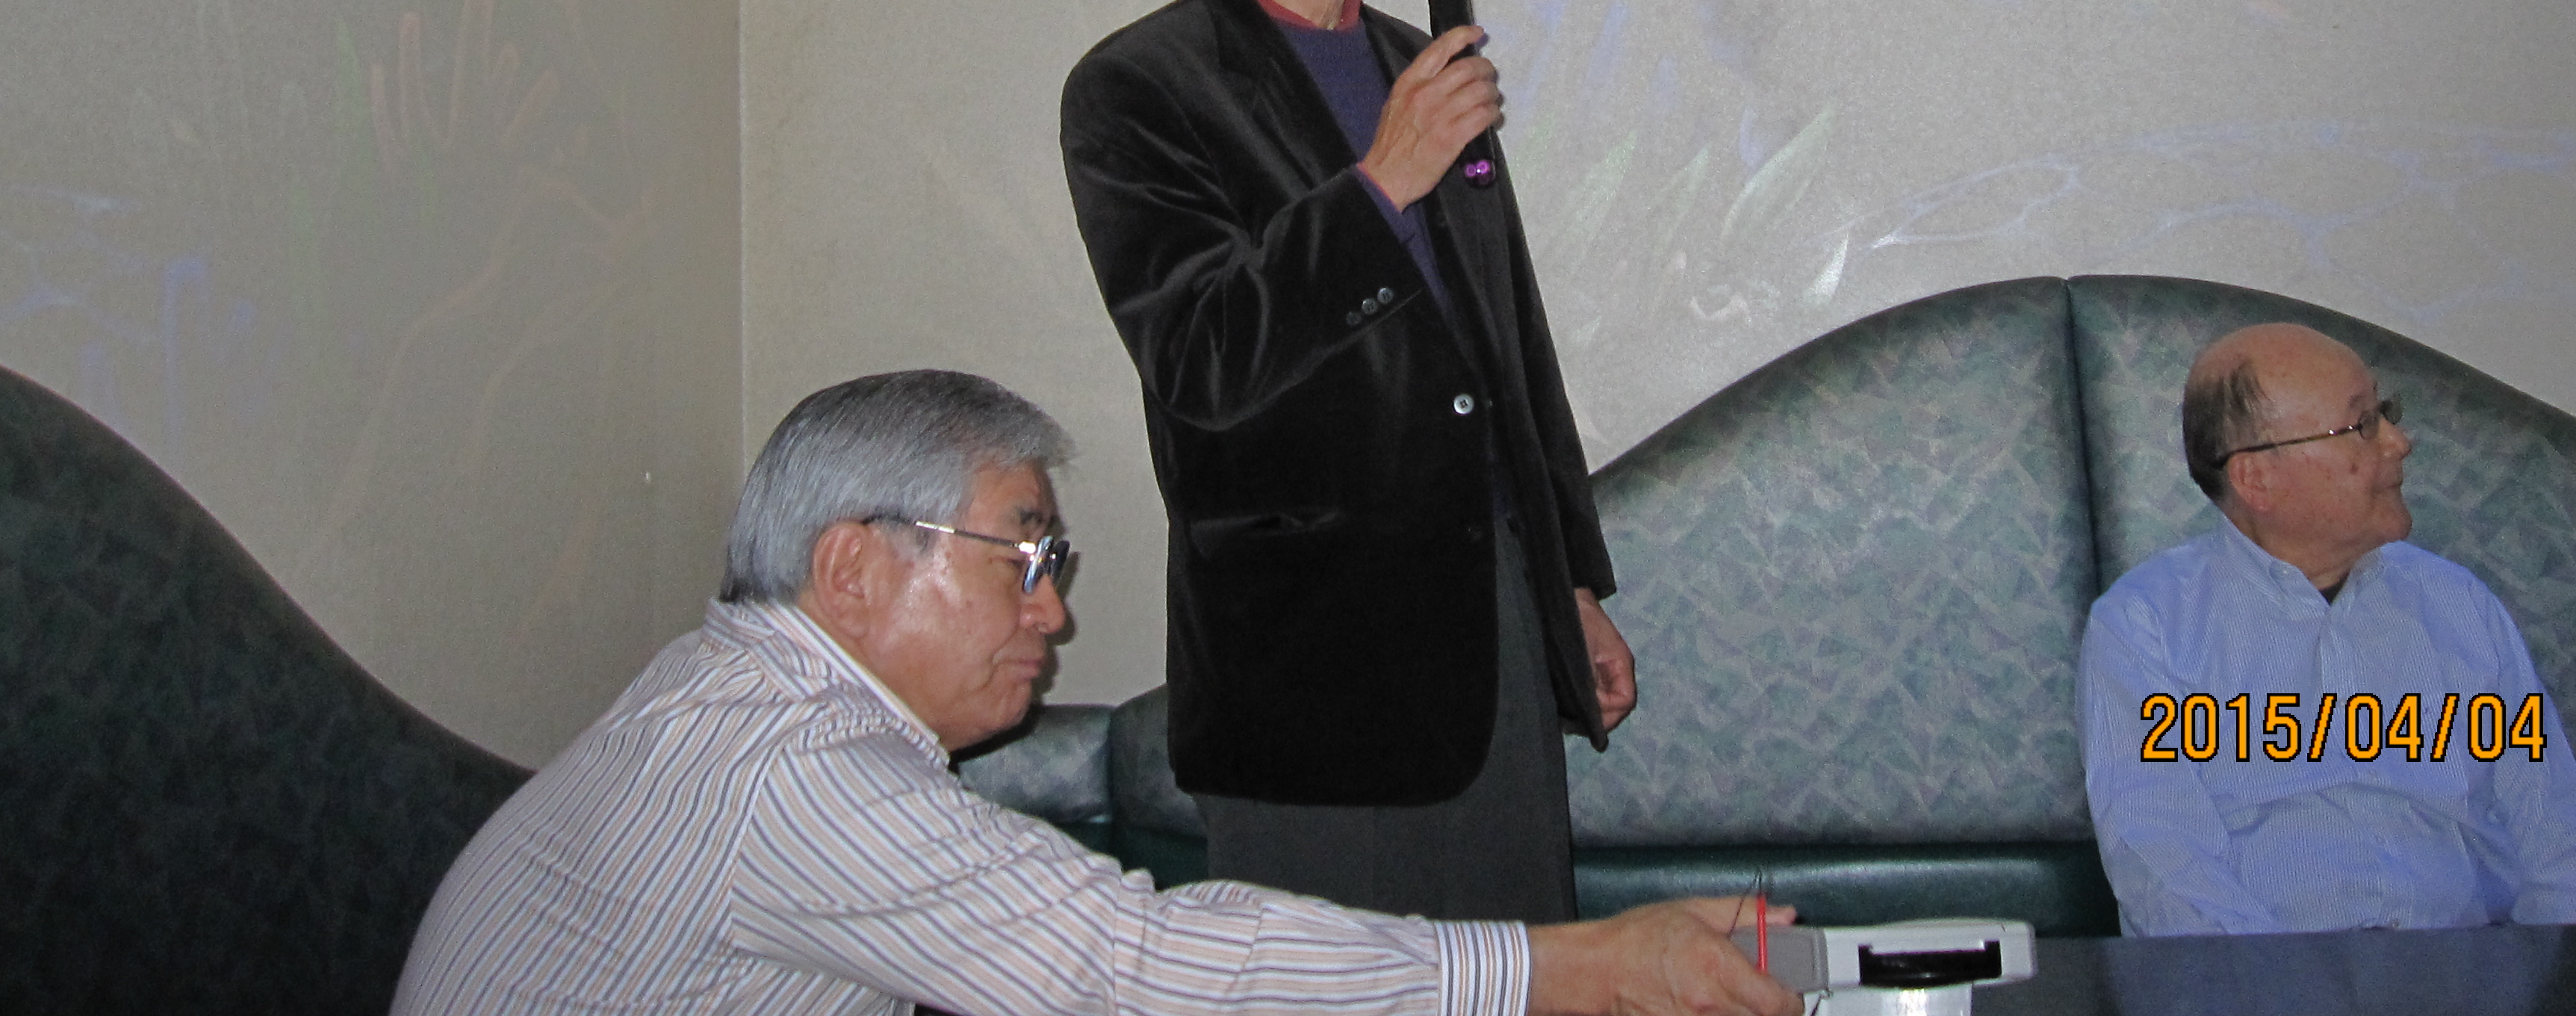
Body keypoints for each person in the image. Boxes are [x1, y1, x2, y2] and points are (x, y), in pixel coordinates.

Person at [393, 371, 1790, 1016]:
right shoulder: (782, 772)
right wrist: (1581, 969)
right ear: (853, 567)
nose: (1054, 612)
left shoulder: (729, 702)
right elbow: (1123, 967)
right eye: (1022, 558)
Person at [1058, 0, 1630, 923]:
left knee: (1523, 980)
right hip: (1312, 663)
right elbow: (1203, 358)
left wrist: (1563, 582)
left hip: (1495, 630)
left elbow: (1507, 339)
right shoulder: (1140, 86)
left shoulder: (1413, 63)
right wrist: (1380, 188)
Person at [2079, 321, 2576, 936]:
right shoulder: (2149, 627)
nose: (2399, 442)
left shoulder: (2457, 605)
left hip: (2468, 966)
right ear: (2257, 478)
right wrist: (2275, 984)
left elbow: (2557, 838)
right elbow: (2166, 870)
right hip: (2262, 975)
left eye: (2386, 413)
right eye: (2362, 424)